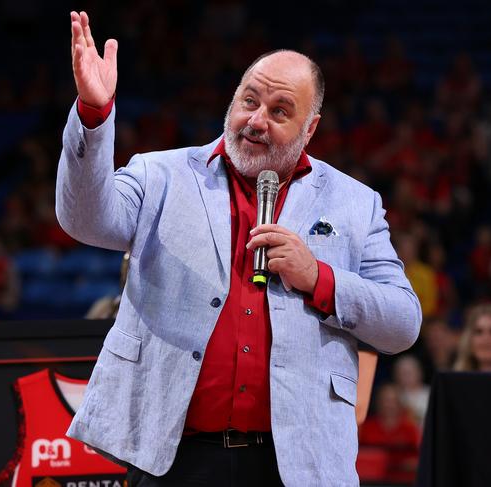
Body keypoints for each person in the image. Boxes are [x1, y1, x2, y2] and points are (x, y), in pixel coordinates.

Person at [56, 11, 421, 486]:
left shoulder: (355, 203)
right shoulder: (161, 175)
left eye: (280, 111)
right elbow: (84, 219)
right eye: (249, 101)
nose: (256, 120)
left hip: (298, 464)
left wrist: (319, 279)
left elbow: (403, 323)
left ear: (310, 129)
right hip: (174, 457)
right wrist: (93, 114)